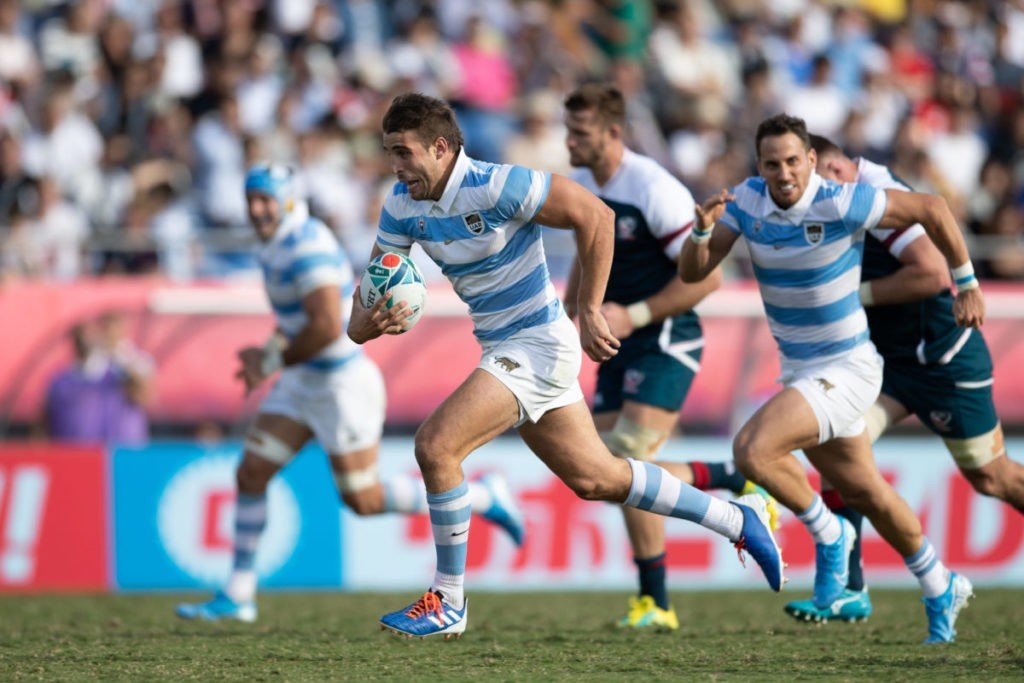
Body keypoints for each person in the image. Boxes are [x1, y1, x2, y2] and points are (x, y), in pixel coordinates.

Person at [348, 92, 783, 641]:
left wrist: (589, 308)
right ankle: (736, 519)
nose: (395, 166)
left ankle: (449, 600)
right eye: (389, 153)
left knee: (436, 446)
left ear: (440, 147)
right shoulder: (400, 206)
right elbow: (359, 315)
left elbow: (593, 216)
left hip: (538, 343)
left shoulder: (499, 184)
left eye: (404, 153)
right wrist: (374, 318)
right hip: (504, 348)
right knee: (597, 478)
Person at [679, 113, 984, 644]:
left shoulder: (839, 200)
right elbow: (692, 271)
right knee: (867, 490)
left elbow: (933, 209)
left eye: (793, 160)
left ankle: (828, 532)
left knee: (753, 450)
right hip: (801, 369)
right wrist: (701, 232)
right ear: (760, 166)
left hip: (848, 368)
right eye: (772, 163)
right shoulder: (748, 201)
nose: (784, 173)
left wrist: (967, 283)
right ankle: (941, 583)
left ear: (812, 161)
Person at [176, 163, 525, 623]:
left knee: (362, 500)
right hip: (304, 381)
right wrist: (269, 353)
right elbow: (297, 324)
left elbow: (325, 327)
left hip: (341, 384)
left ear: (287, 199)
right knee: (251, 473)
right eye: (252, 200)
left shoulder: (307, 245)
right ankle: (239, 594)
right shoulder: (279, 241)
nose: (257, 209)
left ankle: (481, 496)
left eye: (265, 199)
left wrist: (270, 361)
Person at [560, 83, 777, 630]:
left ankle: (656, 600)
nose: (569, 142)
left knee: (629, 456)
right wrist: (569, 310)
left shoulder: (653, 187)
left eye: (579, 133)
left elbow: (707, 279)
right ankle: (730, 479)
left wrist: (634, 313)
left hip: (665, 336)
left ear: (612, 133)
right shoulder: (583, 184)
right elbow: (589, 256)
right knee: (611, 472)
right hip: (615, 339)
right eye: (568, 130)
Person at [783, 135, 1024, 624]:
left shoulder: (876, 194)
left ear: (831, 166)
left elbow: (932, 275)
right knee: (836, 446)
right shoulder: (833, 196)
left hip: (944, 361)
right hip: (886, 366)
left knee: (991, 477)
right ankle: (851, 589)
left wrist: (848, 296)